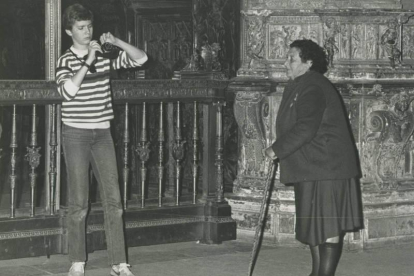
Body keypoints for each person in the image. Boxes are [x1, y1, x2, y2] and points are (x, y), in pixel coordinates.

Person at [56, 4, 147, 276]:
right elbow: (68, 92)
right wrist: (88, 59)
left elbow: (141, 59)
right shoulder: (65, 60)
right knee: (79, 202)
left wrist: (116, 42)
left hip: (102, 133)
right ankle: (77, 260)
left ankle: (119, 263)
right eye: (81, 28)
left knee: (114, 201)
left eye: (89, 27)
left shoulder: (106, 58)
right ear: (69, 31)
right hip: (75, 134)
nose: (87, 32)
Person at [264, 39, 363, 276]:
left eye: (292, 58)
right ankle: (316, 273)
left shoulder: (313, 86)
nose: (285, 62)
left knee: (327, 225)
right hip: (313, 167)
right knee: (315, 226)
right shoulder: (301, 84)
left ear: (308, 63)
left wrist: (276, 149)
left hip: (328, 167)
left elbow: (306, 127)